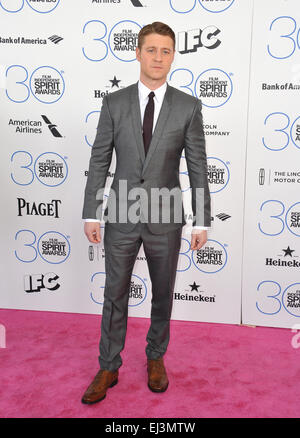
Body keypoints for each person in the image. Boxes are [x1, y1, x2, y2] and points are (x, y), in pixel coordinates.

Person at [81, 22, 211, 404]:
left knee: (162, 293)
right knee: (114, 292)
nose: (158, 58)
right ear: (137, 53)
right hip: (120, 211)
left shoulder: (188, 106)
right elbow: (100, 158)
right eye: (151, 50)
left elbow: (198, 166)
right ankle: (108, 364)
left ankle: (156, 357)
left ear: (173, 56)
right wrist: (92, 212)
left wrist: (200, 218)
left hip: (167, 215)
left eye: (165, 51)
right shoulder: (114, 102)